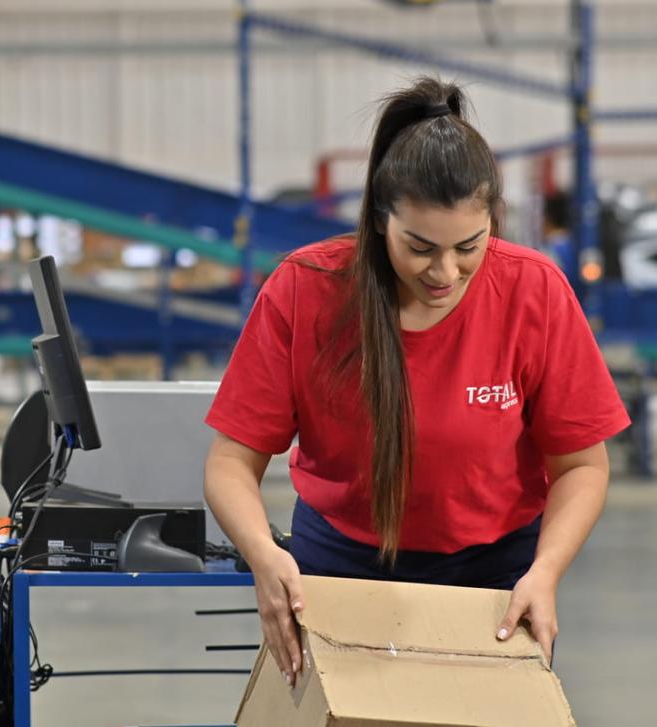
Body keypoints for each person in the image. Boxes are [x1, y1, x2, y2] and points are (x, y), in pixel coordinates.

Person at [203, 77, 630, 688]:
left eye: (469, 247)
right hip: (337, 572)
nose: (445, 271)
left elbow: (582, 466)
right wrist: (264, 558)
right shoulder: (305, 290)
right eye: (420, 247)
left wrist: (545, 572)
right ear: (381, 221)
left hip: (493, 583)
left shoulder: (534, 292)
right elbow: (229, 462)